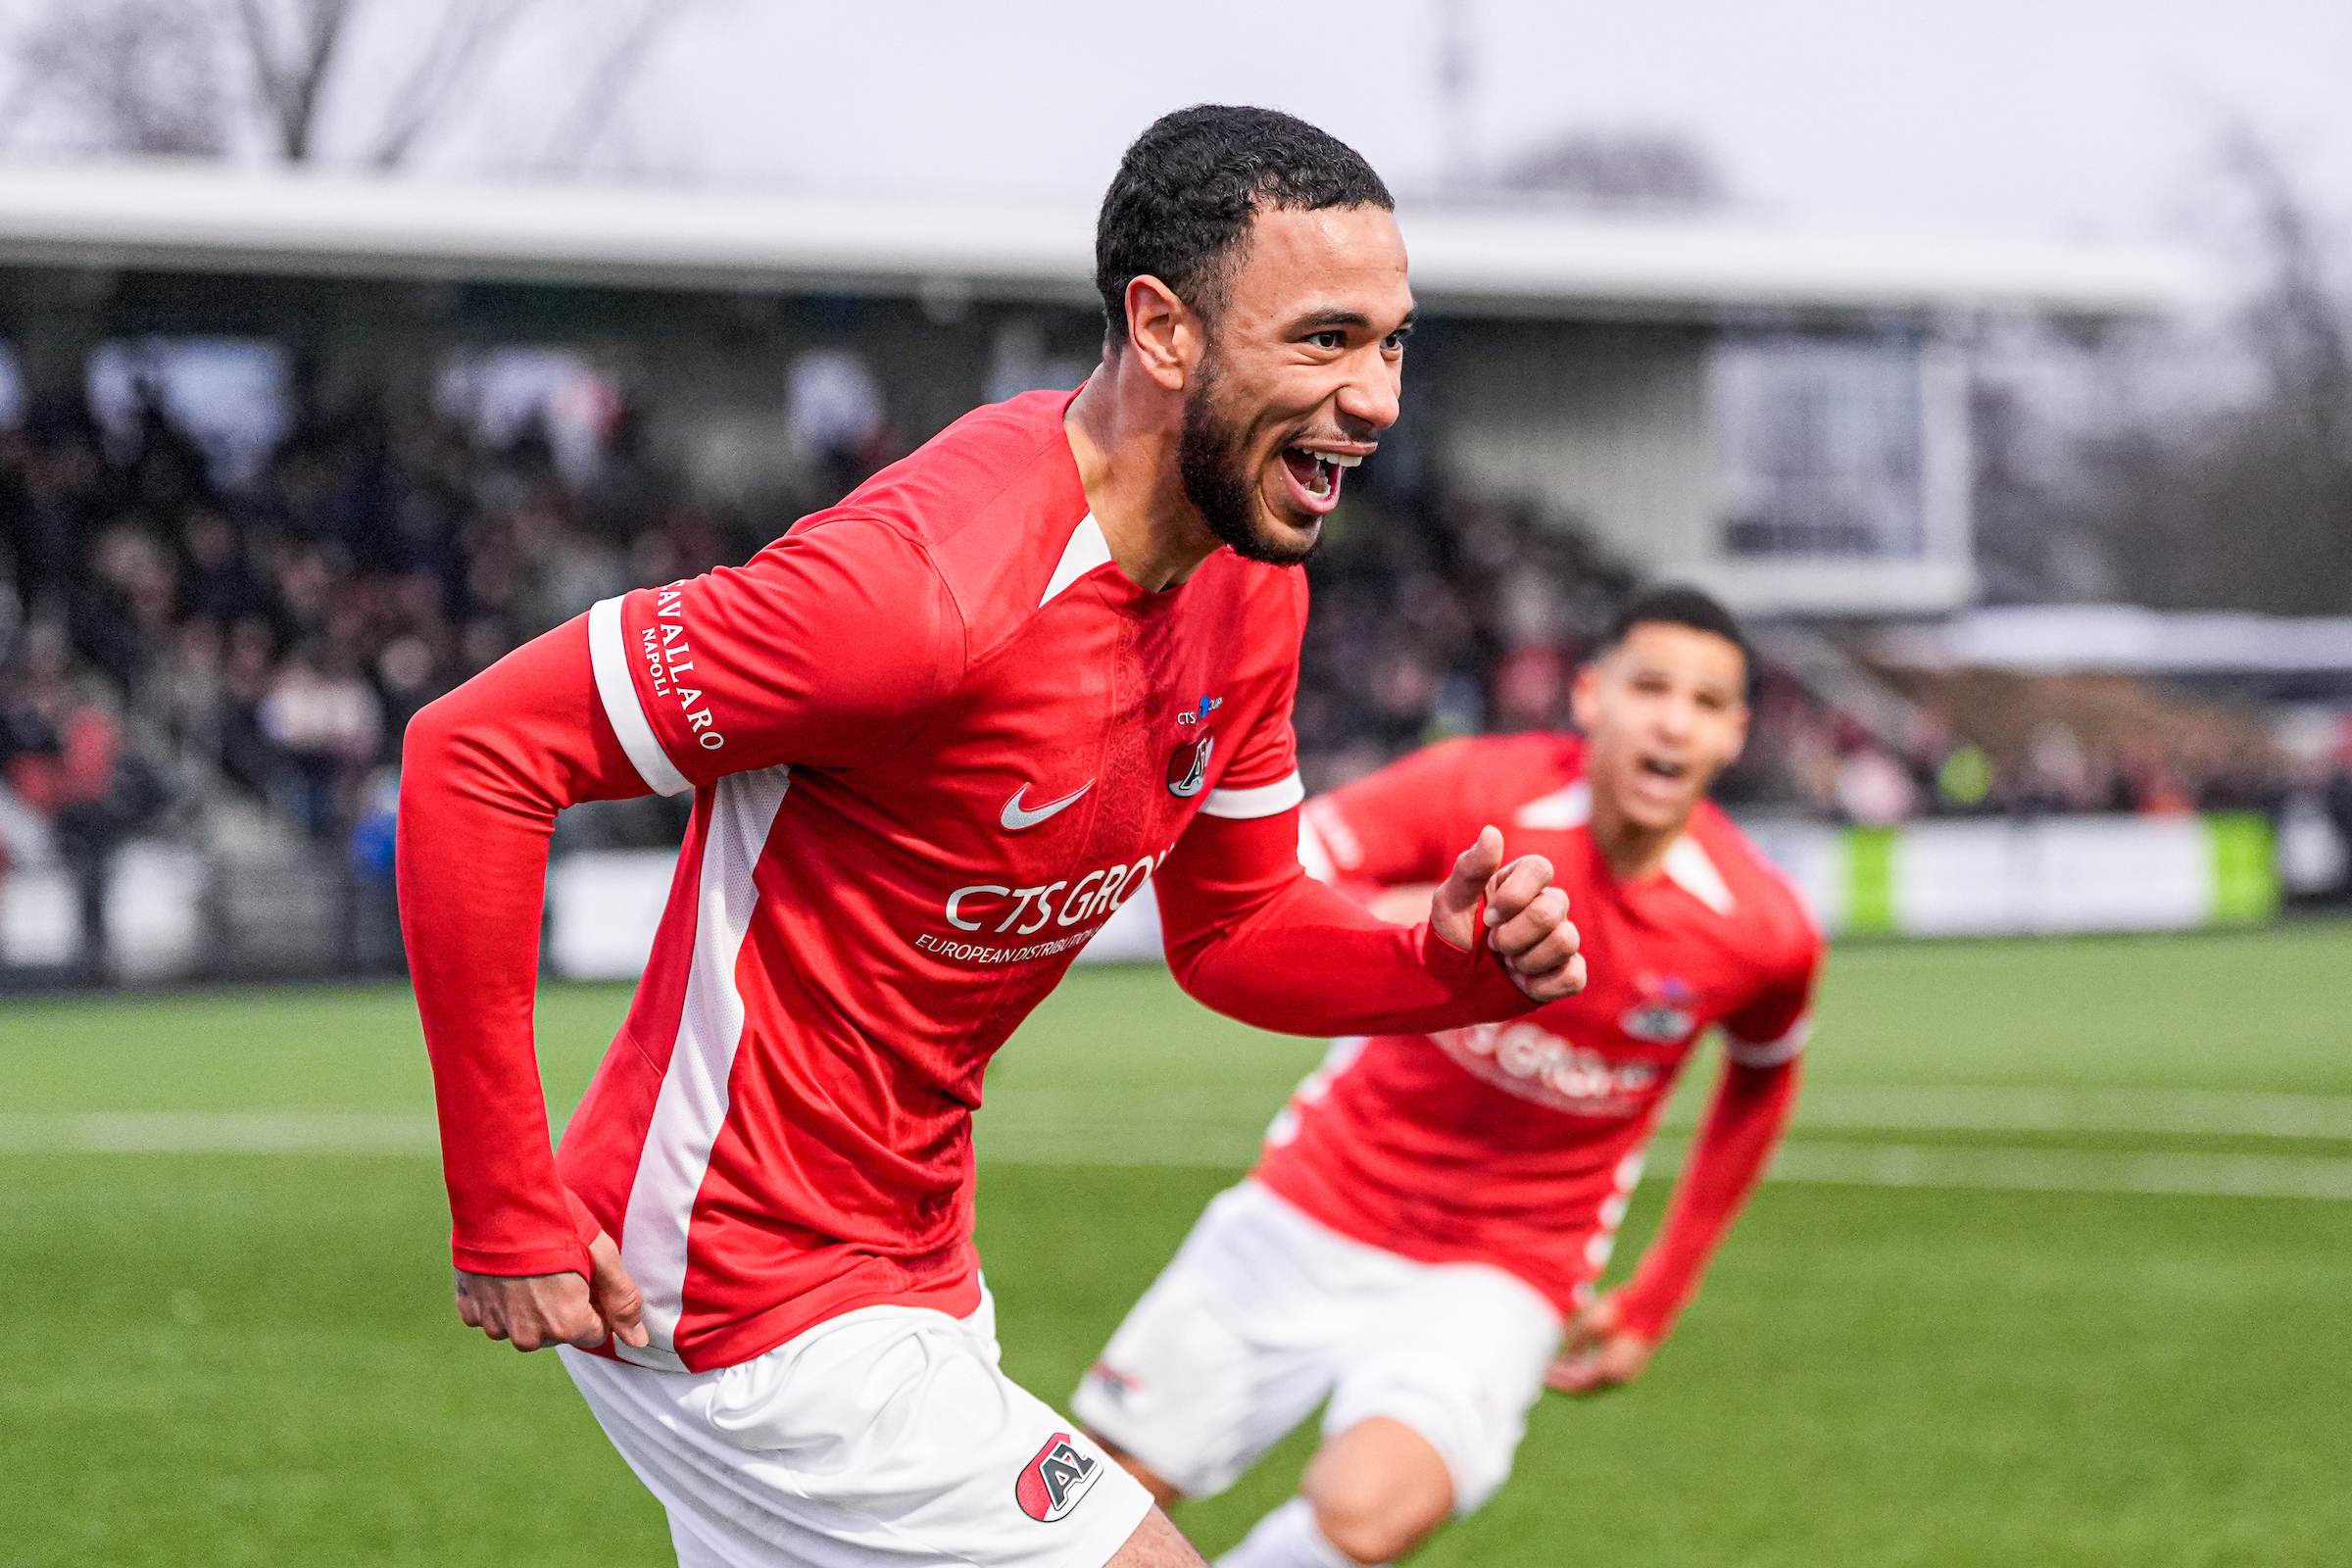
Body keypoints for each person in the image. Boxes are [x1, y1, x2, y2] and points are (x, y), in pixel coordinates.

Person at [397, 105, 1586, 1568]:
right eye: (1326, 340)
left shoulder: (1252, 584)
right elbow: (474, 755)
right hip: (733, 1273)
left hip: (910, 1264)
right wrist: (504, 1204)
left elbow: (1237, 927)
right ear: (1163, 329)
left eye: (1394, 343)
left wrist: (1440, 970)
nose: (1378, 396)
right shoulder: (914, 594)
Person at [1073, 587, 1822, 1568]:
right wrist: (1416, 923)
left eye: (1706, 702)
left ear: (1735, 735)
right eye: (1649, 687)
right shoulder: (1478, 791)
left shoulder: (1762, 929)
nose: (1673, 721)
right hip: (1319, 1199)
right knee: (1105, 1494)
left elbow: (1763, 1083)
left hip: (1509, 1263)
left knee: (1368, 1512)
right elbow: (1286, 867)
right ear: (1590, 696)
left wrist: (1657, 1294)